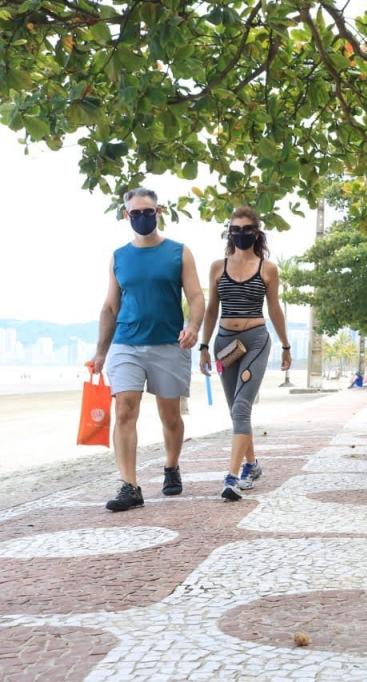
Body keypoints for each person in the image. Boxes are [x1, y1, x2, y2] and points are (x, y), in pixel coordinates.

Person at [89, 187, 205, 512]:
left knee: (170, 417)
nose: (142, 217)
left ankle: (171, 465)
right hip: (126, 343)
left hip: (170, 343)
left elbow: (196, 296)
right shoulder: (118, 256)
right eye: (135, 213)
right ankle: (129, 485)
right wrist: (101, 352)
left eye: (147, 212)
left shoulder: (179, 252)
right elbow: (110, 307)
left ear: (159, 211)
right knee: (125, 410)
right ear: (127, 216)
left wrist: (193, 326)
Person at [199, 207, 292, 501]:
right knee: (236, 410)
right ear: (229, 232)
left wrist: (286, 345)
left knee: (241, 407)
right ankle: (252, 464)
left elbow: (274, 308)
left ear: (257, 232)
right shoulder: (217, 267)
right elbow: (212, 308)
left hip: (255, 341)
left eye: (246, 229)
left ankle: (232, 477)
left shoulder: (268, 268)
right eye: (234, 230)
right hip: (224, 343)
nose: (240, 234)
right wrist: (203, 346)